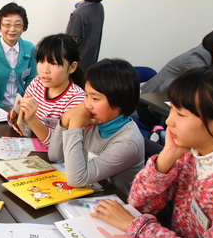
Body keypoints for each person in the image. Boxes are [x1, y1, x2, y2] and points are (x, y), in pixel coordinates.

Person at [90, 65, 213, 238]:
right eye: (172, 109)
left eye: (181, 114)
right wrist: (166, 158)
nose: (169, 121)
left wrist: (138, 227)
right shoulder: (190, 155)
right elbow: (140, 205)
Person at [47, 58, 145, 196]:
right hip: (90, 192)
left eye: (95, 98)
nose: (87, 104)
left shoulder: (128, 141)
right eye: (86, 95)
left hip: (115, 204)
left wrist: (75, 125)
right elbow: (55, 156)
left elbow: (77, 179)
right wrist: (66, 118)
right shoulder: (94, 119)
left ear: (119, 103)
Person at [10, 34, 85, 146]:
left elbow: (59, 145)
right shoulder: (37, 83)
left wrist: (31, 119)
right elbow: (21, 117)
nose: (45, 70)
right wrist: (14, 118)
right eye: (41, 61)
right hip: (31, 145)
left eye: (53, 63)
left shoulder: (77, 99)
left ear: (72, 67)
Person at [139, 29, 213, 128]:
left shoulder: (210, 57)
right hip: (150, 106)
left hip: (171, 103)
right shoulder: (194, 58)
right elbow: (208, 85)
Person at [0, 2, 38, 108]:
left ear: (24, 26)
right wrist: (2, 109)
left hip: (22, 109)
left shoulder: (30, 48)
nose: (12, 29)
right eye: (7, 24)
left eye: (18, 24)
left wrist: (21, 107)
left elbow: (32, 80)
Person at [66, 0, 108, 72]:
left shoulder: (80, 14)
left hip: (77, 67)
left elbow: (70, 44)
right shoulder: (99, 7)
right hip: (90, 62)